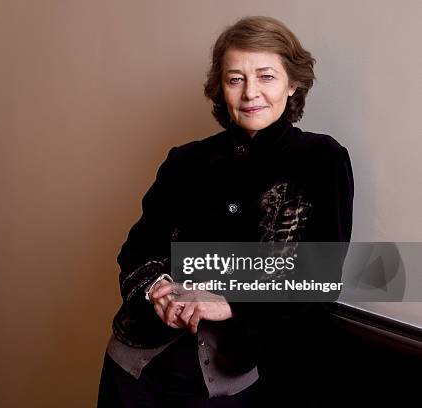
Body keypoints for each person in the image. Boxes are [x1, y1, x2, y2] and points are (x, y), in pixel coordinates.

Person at [98, 16, 354, 407]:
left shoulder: (323, 160)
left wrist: (230, 299)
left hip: (232, 378)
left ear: (293, 82)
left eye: (266, 76)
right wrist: (158, 290)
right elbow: (137, 250)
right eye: (235, 79)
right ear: (221, 87)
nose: (251, 92)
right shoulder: (185, 160)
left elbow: (318, 274)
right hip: (133, 367)